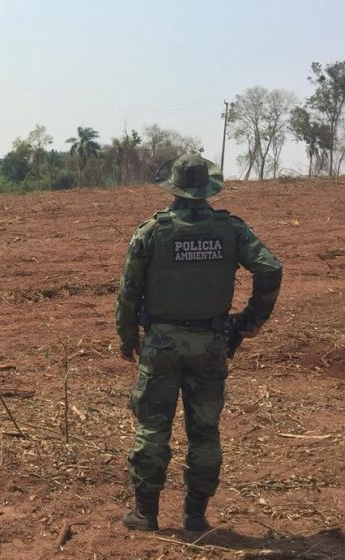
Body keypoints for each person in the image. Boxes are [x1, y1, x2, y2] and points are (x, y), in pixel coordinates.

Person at [115, 153, 283, 532]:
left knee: (152, 428)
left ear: (173, 187)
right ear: (207, 188)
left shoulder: (151, 231)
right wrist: (250, 321)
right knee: (205, 432)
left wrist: (127, 337)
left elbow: (128, 291)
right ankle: (195, 516)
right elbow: (270, 267)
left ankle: (146, 513)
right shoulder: (231, 230)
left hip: (161, 345)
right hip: (210, 344)